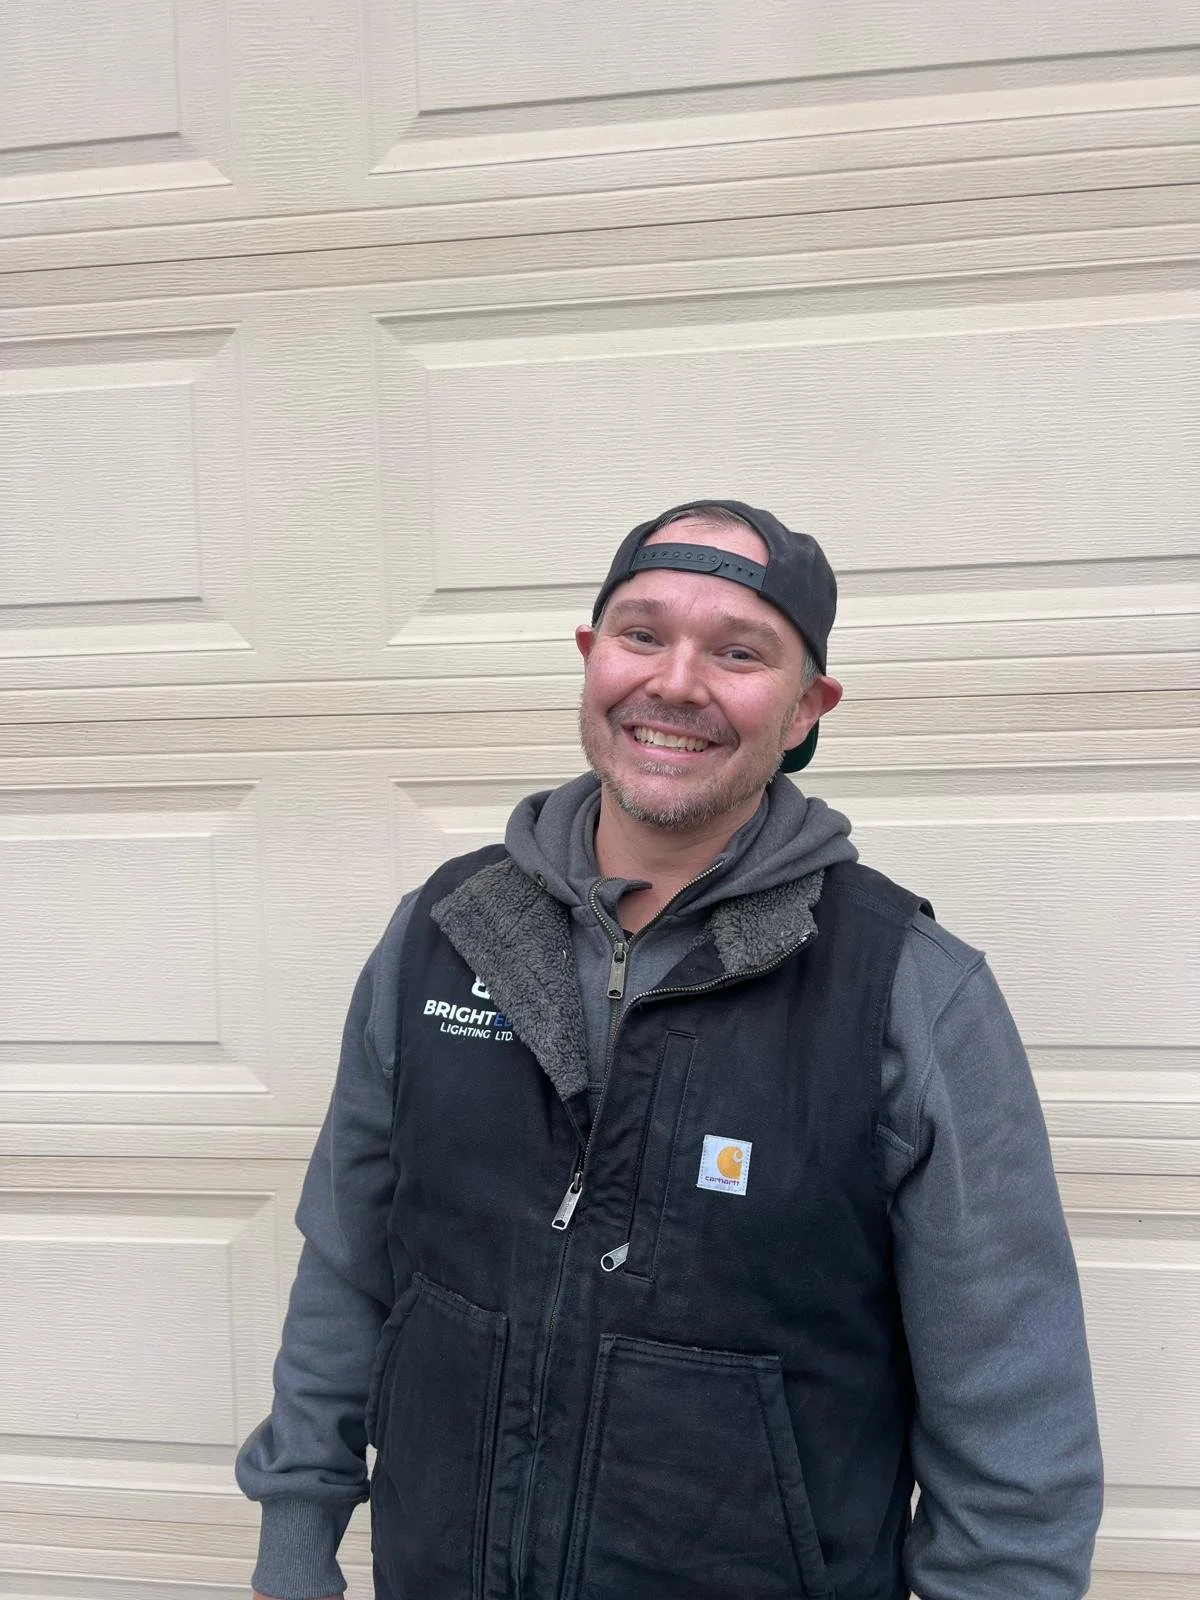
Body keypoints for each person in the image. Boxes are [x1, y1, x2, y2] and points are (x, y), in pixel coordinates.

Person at [237, 499, 1103, 1600]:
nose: (677, 682)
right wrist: (294, 1545)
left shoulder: (910, 995)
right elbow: (349, 1273)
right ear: (592, 658)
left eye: (740, 651)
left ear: (806, 707)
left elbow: (1014, 1413)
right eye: (643, 634)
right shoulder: (442, 932)